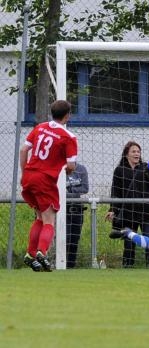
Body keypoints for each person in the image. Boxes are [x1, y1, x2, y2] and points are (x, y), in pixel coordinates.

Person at [20, 100, 78, 272]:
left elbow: (24, 150)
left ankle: (30, 255)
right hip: (44, 179)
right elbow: (71, 165)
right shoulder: (69, 137)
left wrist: (24, 173)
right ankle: (41, 252)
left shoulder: (40, 127)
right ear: (67, 115)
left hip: (29, 176)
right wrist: (66, 171)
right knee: (49, 220)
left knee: (39, 216)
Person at [105, 141, 149, 268]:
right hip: (129, 213)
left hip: (147, 212)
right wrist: (112, 209)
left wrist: (145, 199)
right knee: (129, 242)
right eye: (133, 151)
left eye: (138, 151)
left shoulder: (147, 168)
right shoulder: (119, 171)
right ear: (126, 154)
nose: (137, 154)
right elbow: (115, 191)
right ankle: (127, 266)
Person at [66, 162, 89, 269]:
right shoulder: (58, 168)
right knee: (66, 238)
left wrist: (70, 190)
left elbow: (85, 188)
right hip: (63, 209)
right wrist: (72, 191)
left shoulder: (81, 169)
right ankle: (60, 264)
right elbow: (57, 189)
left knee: (74, 240)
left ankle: (71, 266)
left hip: (77, 209)